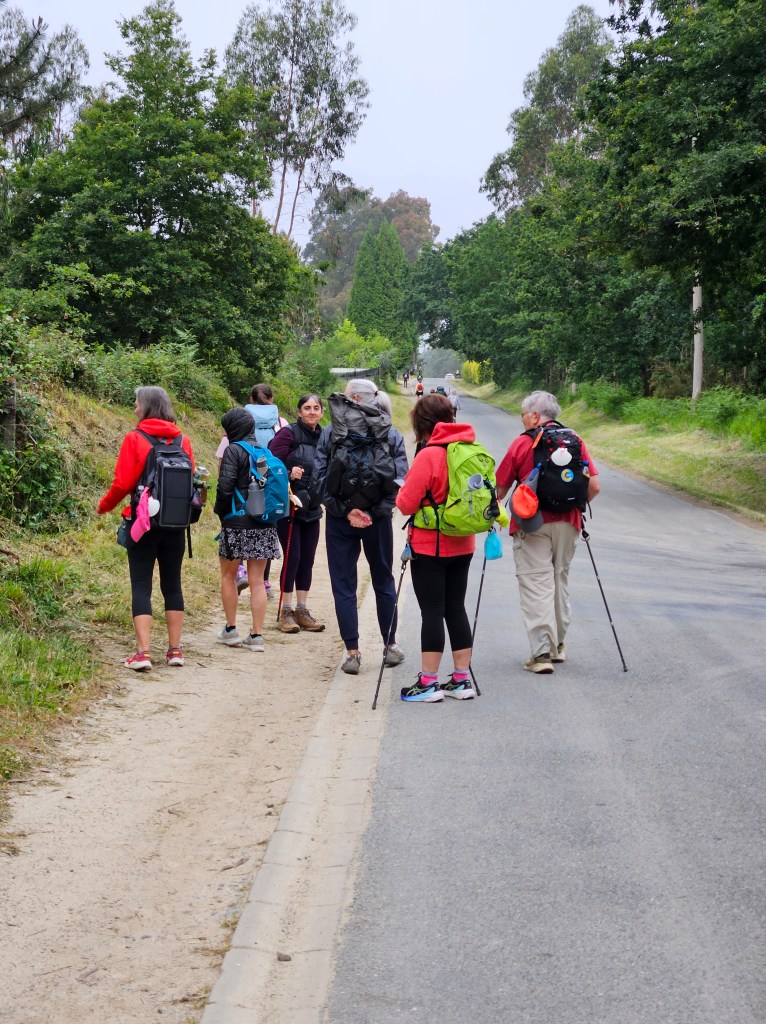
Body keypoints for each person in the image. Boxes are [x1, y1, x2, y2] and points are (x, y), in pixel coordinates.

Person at [496, 390, 600, 674]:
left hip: (533, 523)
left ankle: (541, 653)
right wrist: (575, 505)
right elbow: (594, 486)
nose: (522, 420)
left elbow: (500, 488)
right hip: (569, 522)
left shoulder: (522, 443)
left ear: (534, 416)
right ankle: (559, 646)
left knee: (536, 583)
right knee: (559, 580)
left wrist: (496, 514)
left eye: (523, 415)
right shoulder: (575, 440)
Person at [312, 379, 408, 675]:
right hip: (377, 520)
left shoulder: (331, 432)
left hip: (339, 519)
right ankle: (390, 646)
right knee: (383, 580)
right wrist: (373, 512)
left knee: (344, 584)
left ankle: (352, 653)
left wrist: (345, 511)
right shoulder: (390, 432)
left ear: (353, 398)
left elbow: (318, 478)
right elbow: (400, 481)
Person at [97, 386, 195, 670]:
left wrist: (104, 506)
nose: (135, 408)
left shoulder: (135, 438)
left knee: (141, 585)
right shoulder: (183, 440)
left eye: (137, 403)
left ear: (147, 406)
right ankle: (175, 650)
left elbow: (123, 483)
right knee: (172, 585)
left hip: (143, 524)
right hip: (175, 524)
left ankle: (143, 654)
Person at [395, 393, 477, 703]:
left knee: (432, 611)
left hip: (430, 546)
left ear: (422, 422)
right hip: (464, 542)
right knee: (456, 608)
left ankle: (428, 683)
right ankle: (461, 680)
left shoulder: (429, 454)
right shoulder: (469, 449)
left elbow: (406, 504)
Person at [213, 408, 282, 652]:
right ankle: (257, 635)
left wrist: (221, 512)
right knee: (257, 581)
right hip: (263, 523)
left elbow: (225, 486)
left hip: (237, 523)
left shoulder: (234, 450)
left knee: (228, 576)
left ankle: (231, 630)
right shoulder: (265, 451)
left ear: (232, 429)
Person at [269, 393, 326, 634]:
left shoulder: (326, 437)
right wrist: (288, 471)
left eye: (316, 408)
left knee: (308, 559)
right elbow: (268, 463)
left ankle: (302, 611)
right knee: (293, 557)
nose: (312, 412)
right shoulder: (287, 434)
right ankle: (286, 611)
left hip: (313, 506)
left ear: (322, 412)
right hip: (290, 505)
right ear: (299, 411)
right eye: (307, 408)